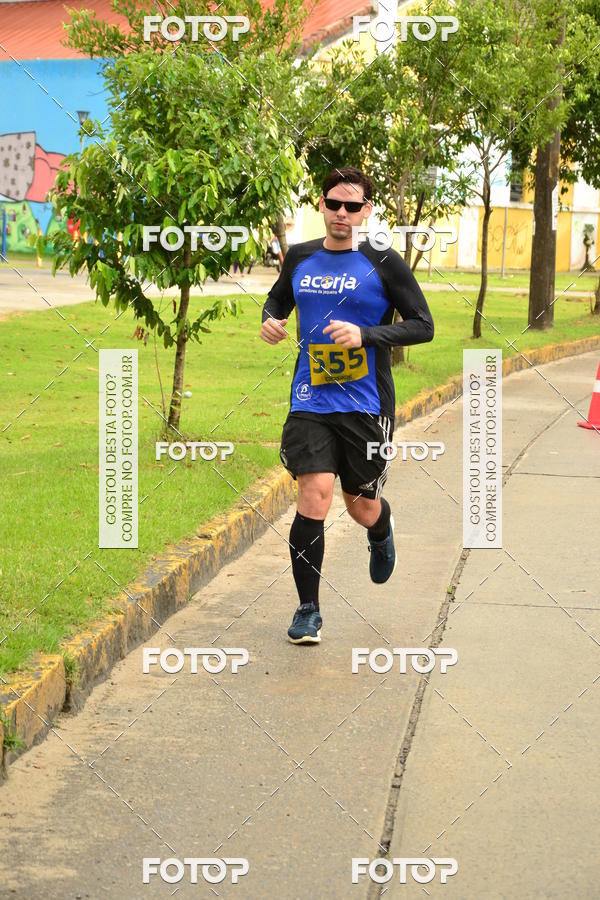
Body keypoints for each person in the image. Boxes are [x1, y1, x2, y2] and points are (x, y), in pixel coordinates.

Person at [259, 167, 434, 644]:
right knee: (313, 494)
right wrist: (270, 321)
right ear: (321, 204)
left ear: (366, 211)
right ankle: (308, 610)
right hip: (311, 399)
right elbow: (276, 302)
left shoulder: (383, 260)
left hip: (365, 403)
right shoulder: (300, 256)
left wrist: (367, 335)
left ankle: (381, 527)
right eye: (334, 203)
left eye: (352, 206)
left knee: (359, 505)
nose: (342, 213)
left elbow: (423, 325)